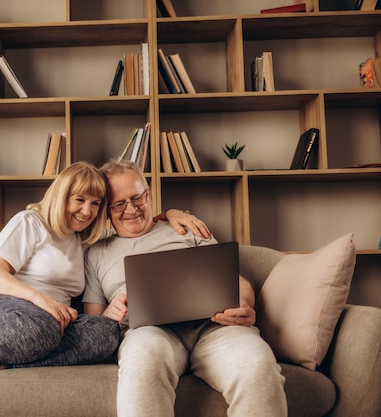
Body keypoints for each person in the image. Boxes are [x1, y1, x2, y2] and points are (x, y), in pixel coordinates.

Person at [0, 161, 208, 382]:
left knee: (107, 334)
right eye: (79, 200)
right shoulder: (30, 221)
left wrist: (169, 214)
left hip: (47, 322)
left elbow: (135, 215)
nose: (87, 211)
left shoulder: (87, 240)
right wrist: (44, 303)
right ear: (62, 196)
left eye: (95, 204)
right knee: (42, 327)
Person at [83, 159, 287, 417]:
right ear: (106, 208)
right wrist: (109, 314)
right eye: (119, 203)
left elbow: (237, 280)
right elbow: (92, 321)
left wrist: (245, 304)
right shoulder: (95, 253)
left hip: (214, 328)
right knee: (142, 360)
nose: (132, 209)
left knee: (257, 364)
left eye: (137, 198)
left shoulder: (186, 228)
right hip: (149, 334)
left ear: (150, 195)